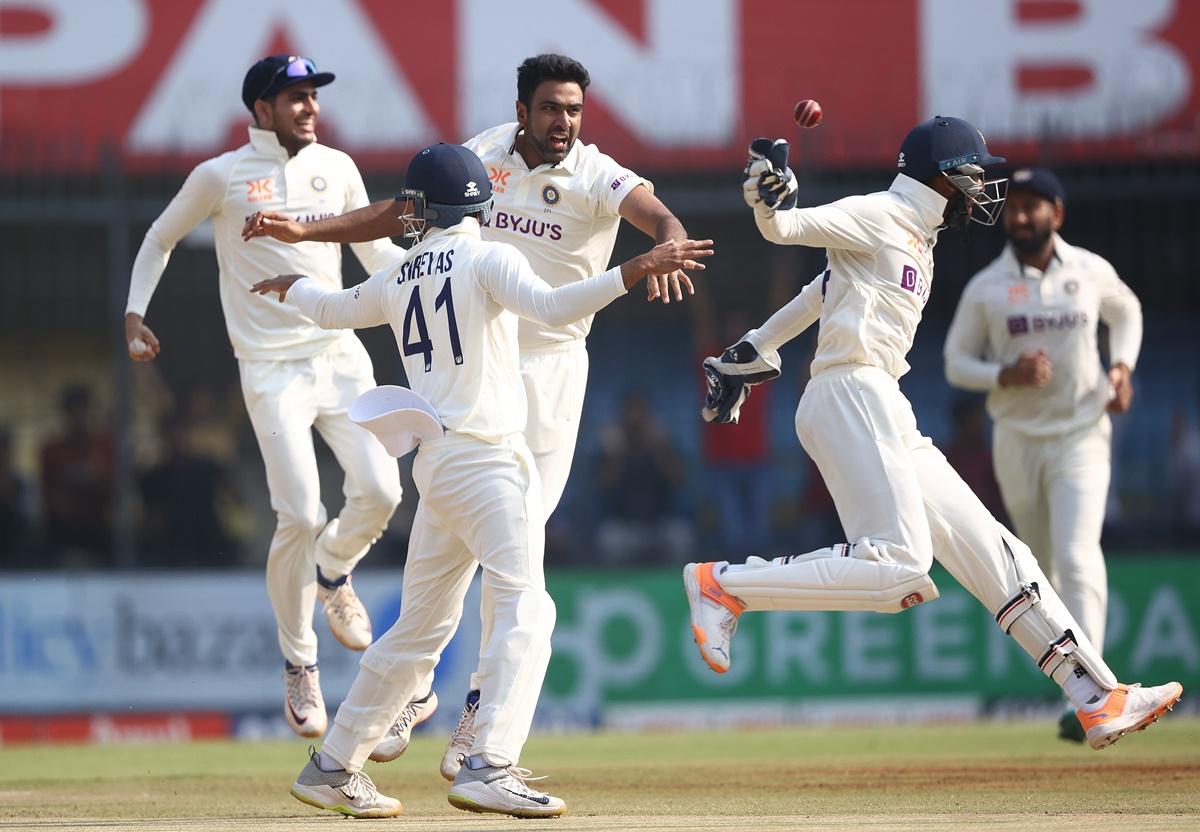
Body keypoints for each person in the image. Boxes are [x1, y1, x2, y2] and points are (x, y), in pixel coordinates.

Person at [242, 53, 693, 777]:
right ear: (523, 110)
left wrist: (663, 244)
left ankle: (443, 707)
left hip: (547, 374)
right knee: (516, 575)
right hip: (485, 360)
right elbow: (404, 208)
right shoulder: (479, 160)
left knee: (501, 553)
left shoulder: (595, 171)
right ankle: (462, 726)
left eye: (574, 110)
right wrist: (309, 232)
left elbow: (651, 210)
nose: (563, 123)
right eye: (551, 108)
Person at [685, 119, 1181, 752]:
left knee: (999, 554)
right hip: (849, 393)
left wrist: (752, 347)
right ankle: (723, 584)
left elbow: (822, 291)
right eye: (977, 171)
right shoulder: (881, 212)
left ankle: (1097, 697)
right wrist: (772, 197)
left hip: (880, 399)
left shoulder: (917, 236)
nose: (984, 186)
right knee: (899, 569)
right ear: (946, 174)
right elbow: (785, 227)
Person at [123, 55, 405, 738]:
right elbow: (161, 237)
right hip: (271, 370)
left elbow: (375, 258)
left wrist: (451, 273)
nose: (309, 107)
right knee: (300, 512)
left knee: (383, 493)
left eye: (312, 96)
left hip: (338, 355)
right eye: (294, 98)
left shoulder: (336, 168)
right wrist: (134, 313)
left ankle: (335, 575)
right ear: (261, 109)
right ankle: (298, 662)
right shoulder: (221, 176)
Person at [943, 166, 1143, 742]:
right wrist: (1005, 372)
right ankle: (1081, 690)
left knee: (1079, 555)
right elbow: (956, 363)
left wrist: (1122, 366)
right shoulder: (987, 287)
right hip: (1017, 438)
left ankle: (1097, 696)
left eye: (1034, 207)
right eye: (1015, 207)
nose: (1021, 216)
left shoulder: (1088, 270)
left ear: (1057, 215)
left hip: (1081, 432)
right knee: (1044, 570)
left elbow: (1125, 311)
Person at [40, 385, 114, 564]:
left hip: (97, 528)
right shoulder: (52, 450)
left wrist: (92, 483)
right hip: (62, 530)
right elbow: (51, 497)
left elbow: (111, 490)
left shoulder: (104, 447)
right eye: (73, 413)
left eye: (82, 412)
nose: (78, 418)